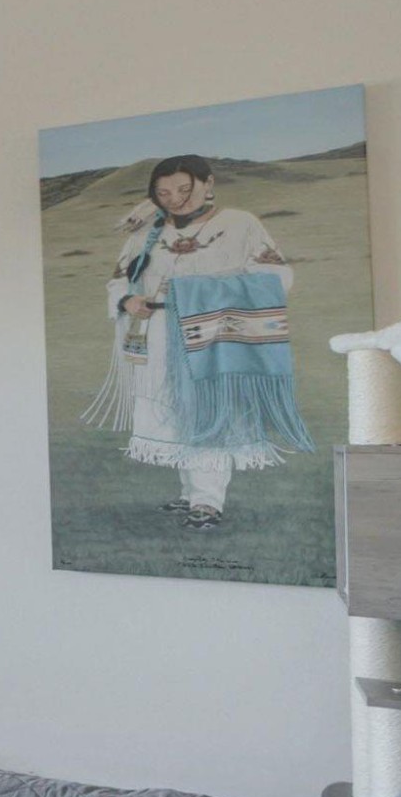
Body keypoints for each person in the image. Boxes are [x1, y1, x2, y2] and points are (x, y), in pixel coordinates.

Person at [85, 154, 306, 530]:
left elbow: (276, 276)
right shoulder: (147, 232)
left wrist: (204, 292)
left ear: (208, 183)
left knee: (207, 410)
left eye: (184, 189)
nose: (175, 199)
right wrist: (127, 300)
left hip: (213, 334)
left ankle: (208, 501)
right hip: (157, 333)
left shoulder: (239, 224)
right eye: (163, 193)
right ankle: (189, 493)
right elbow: (120, 279)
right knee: (171, 409)